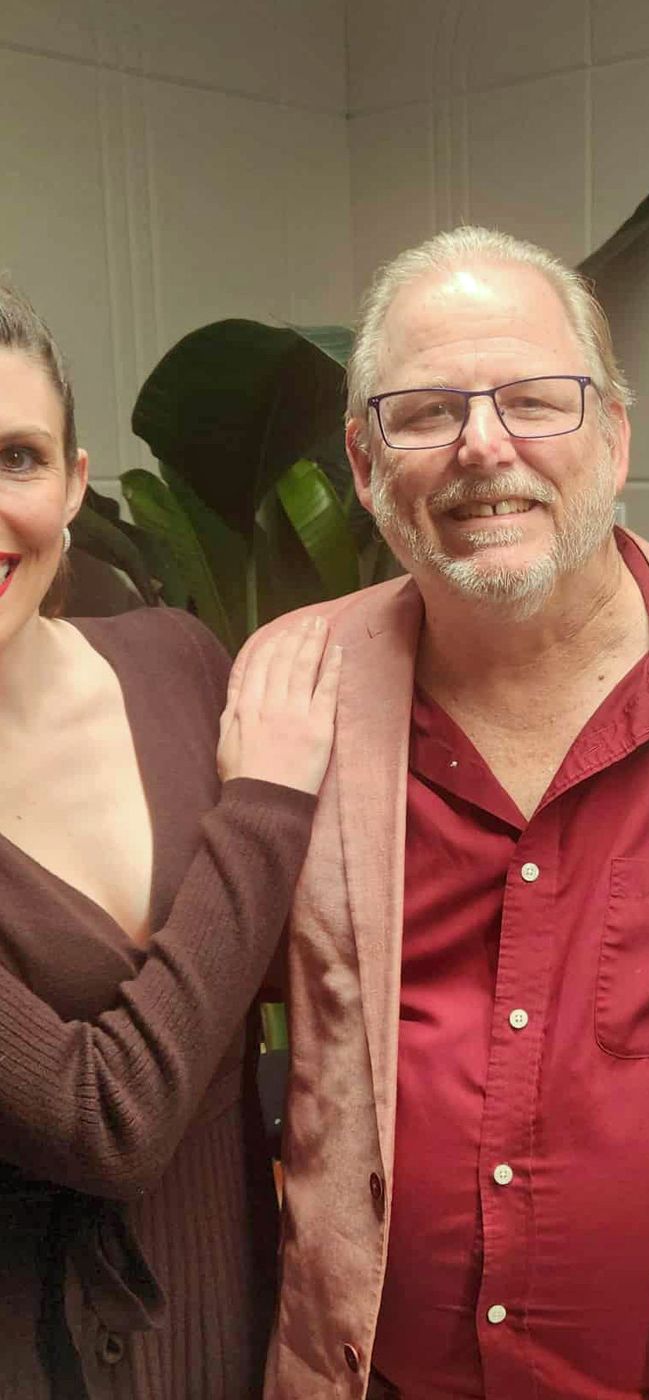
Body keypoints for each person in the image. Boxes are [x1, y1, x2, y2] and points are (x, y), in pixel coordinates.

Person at [252, 225, 649, 1399]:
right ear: (362, 458)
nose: (482, 445)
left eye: (534, 400)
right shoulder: (292, 683)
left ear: (614, 435)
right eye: (425, 411)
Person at [0, 282, 341, 1397]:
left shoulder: (178, 661)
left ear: (74, 483)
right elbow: (110, 1121)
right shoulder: (258, 784)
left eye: (16, 458)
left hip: (243, 1333)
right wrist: (266, 809)